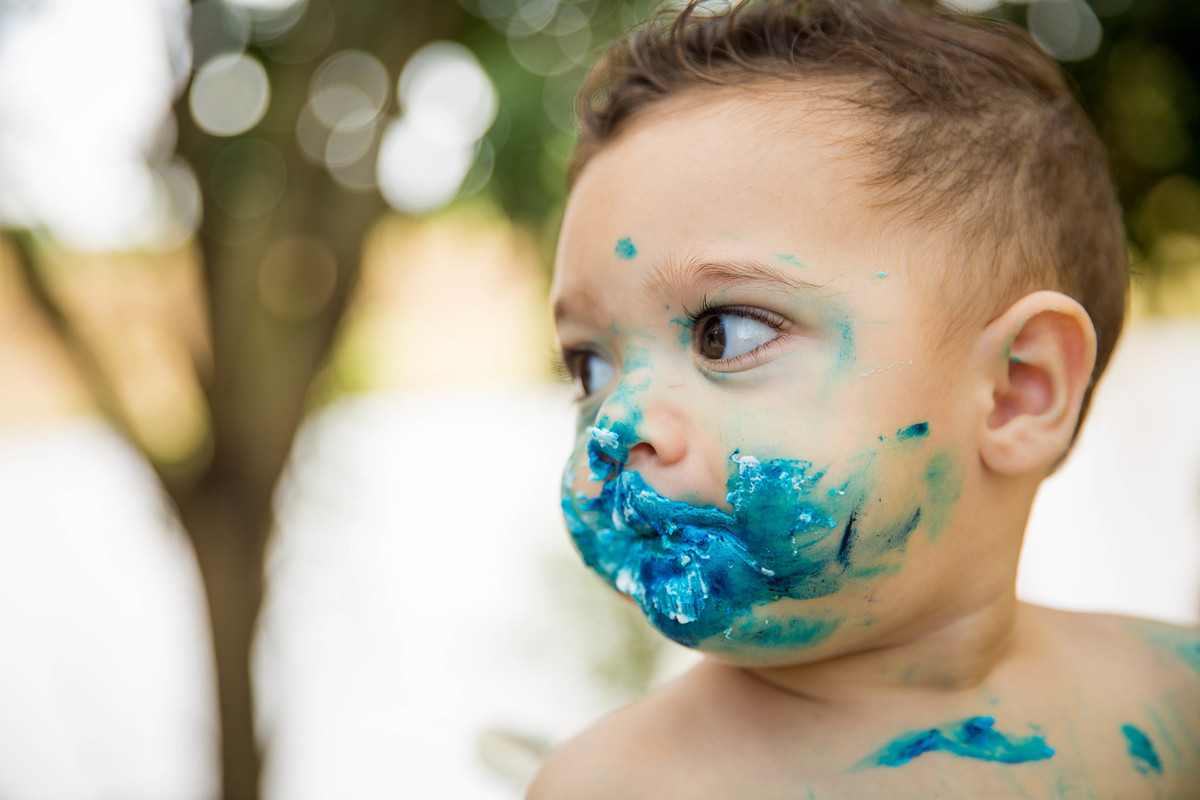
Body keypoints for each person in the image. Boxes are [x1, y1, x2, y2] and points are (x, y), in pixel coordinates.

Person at [528, 0, 1200, 797]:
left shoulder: (1178, 703)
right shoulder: (611, 786)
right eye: (590, 368)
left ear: (1018, 390)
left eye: (723, 333)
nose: (614, 426)